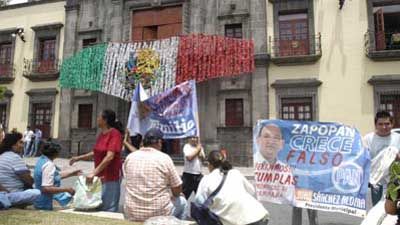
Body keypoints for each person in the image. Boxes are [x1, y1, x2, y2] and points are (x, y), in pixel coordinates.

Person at [254, 123, 318, 225]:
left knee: (310, 210)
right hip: (298, 186)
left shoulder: (313, 152)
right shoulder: (292, 154)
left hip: (307, 185)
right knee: (298, 209)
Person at [123, 128, 188, 222]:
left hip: (132, 212)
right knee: (182, 202)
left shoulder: (130, 158)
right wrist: (173, 194)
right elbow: (177, 188)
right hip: (158, 214)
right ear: (159, 142)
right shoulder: (164, 158)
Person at [194, 150, 269, 225]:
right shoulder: (235, 172)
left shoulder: (207, 179)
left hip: (242, 222)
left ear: (209, 164)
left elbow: (198, 201)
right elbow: (251, 191)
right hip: (259, 215)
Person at [69, 109, 123, 212]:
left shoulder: (115, 134)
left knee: (109, 207)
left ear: (105, 120)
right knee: (99, 202)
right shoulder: (102, 134)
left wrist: (93, 172)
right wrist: (78, 158)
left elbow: (109, 156)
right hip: (100, 175)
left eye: (99, 117)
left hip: (111, 175)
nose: (97, 119)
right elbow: (95, 152)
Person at [364, 111, 400, 206]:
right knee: (377, 207)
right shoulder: (368, 138)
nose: (384, 127)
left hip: (394, 182)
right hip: (376, 181)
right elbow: (364, 158)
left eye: (387, 124)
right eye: (380, 124)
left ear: (392, 124)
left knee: (393, 208)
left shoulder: (398, 138)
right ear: (375, 125)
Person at [34, 140, 80, 210]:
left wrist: (72, 173)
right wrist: (67, 189)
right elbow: (46, 188)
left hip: (39, 200)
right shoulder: (48, 165)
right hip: (45, 202)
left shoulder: (41, 160)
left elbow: (54, 176)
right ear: (55, 154)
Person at [0, 132, 40, 209]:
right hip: (11, 193)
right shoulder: (15, 157)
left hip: (5, 193)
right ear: (13, 145)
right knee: (37, 193)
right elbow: (29, 181)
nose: (22, 145)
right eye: (20, 142)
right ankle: (7, 202)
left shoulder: (2, 156)